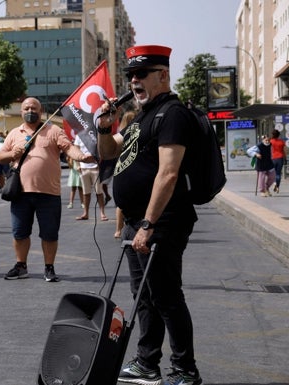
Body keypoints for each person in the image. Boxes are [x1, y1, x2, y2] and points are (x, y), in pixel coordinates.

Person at [96, 45, 203, 385]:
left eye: (142, 74)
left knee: (167, 296)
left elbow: (168, 173)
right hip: (136, 221)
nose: (135, 81)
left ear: (163, 75)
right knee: (144, 296)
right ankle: (147, 363)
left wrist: (148, 223)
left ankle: (185, 370)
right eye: (131, 76)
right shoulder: (142, 115)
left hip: (161, 221)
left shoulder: (171, 114)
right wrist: (104, 127)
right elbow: (111, 152)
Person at [0, 97, 89, 282]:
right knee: (19, 232)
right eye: (27, 108)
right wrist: (11, 154)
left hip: (49, 194)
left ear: (41, 112)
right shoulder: (15, 133)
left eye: (34, 108)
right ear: (22, 112)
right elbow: (0, 157)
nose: (30, 111)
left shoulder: (54, 130)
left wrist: (82, 157)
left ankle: (49, 268)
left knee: (49, 233)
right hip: (20, 193)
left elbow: (69, 148)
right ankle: (21, 265)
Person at [113, 110, 137, 238]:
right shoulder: (136, 132)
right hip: (132, 170)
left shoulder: (119, 134)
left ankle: (118, 229)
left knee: (121, 204)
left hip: (121, 170)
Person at [74, 134, 108, 221]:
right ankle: (85, 213)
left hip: (96, 167)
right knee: (86, 193)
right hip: (84, 168)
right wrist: (78, 165)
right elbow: (76, 150)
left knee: (99, 192)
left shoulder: (96, 133)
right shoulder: (79, 135)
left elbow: (103, 148)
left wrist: (101, 165)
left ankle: (102, 213)